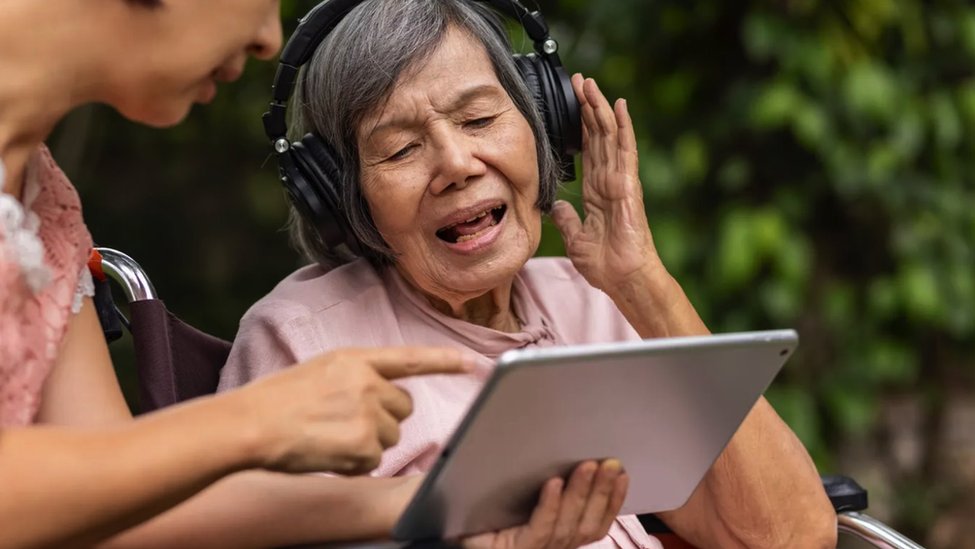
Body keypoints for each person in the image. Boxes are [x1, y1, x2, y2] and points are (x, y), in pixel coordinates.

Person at [0, 1, 625, 548]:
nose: (270, 39)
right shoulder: (299, 332)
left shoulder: (39, 188)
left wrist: (446, 507)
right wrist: (256, 423)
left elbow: (116, 503)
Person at [217, 0, 840, 547]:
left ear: (541, 127)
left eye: (480, 119)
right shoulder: (303, 340)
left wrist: (643, 284)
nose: (457, 163)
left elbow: (788, 535)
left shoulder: (590, 301)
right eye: (402, 149)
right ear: (340, 196)